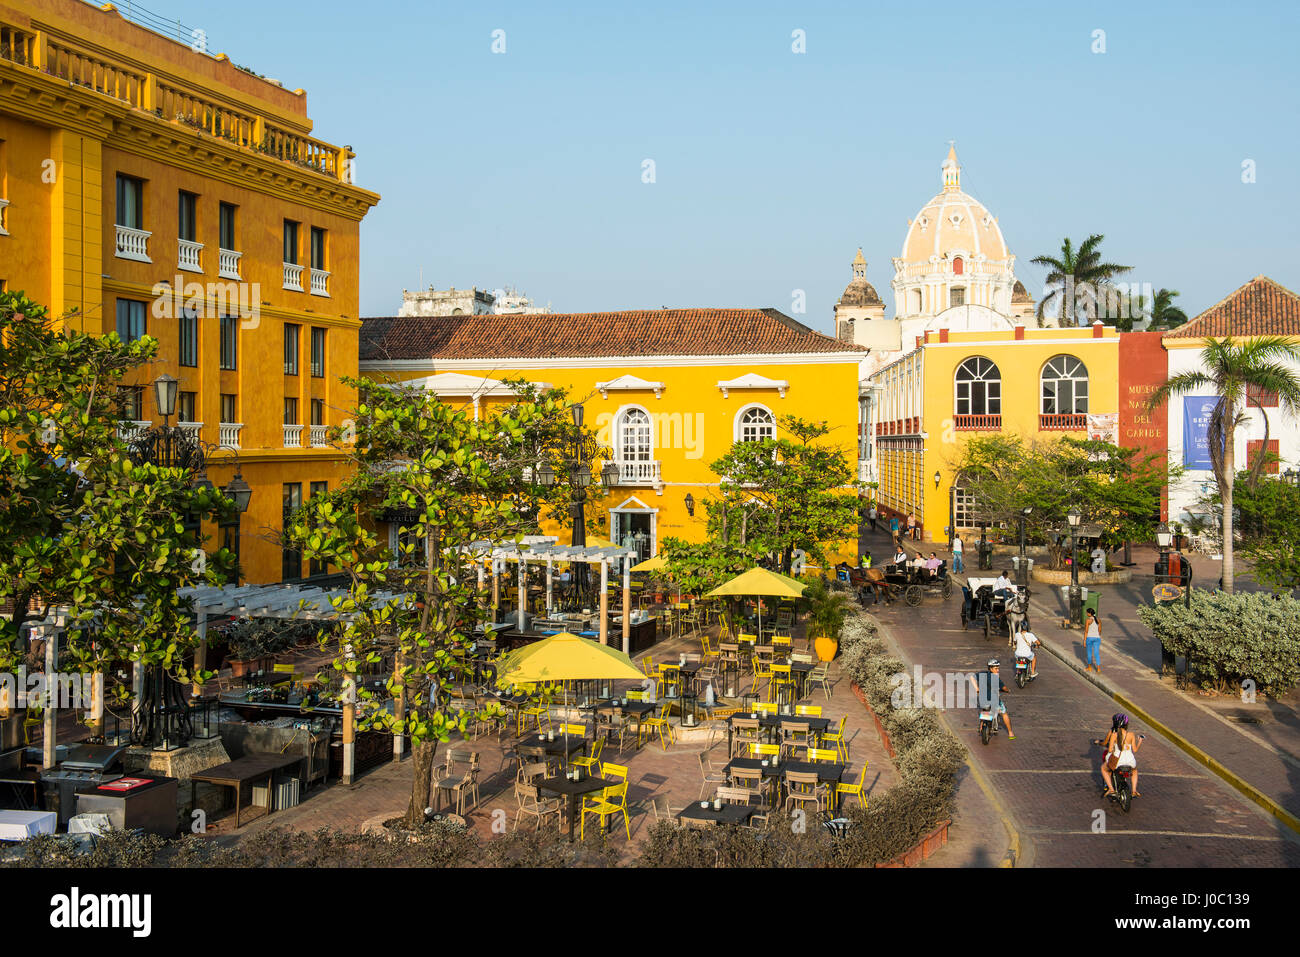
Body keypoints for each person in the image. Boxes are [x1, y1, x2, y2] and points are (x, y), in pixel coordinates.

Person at [1096, 712, 1144, 797]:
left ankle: (1111, 789)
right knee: (1134, 771)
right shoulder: (1131, 734)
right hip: (1130, 760)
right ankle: (1133, 791)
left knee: (1103, 769)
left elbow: (1110, 749)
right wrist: (1140, 741)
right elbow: (1135, 750)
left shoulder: (1114, 734)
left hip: (1117, 761)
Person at [969, 659, 1014, 739]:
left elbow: (972, 677)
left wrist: (977, 689)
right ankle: (1010, 733)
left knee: (984, 710)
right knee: (1004, 713)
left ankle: (981, 727)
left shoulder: (982, 674)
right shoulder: (996, 678)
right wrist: (1008, 690)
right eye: (996, 668)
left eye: (998, 668)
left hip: (983, 700)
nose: (998, 670)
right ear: (991, 668)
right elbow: (1003, 688)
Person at [1084, 608, 1102, 672]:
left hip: (1089, 638)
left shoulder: (1088, 620)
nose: (1086, 614)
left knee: (1089, 653)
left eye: (1087, 613)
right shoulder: (1098, 619)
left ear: (1089, 613)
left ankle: (1089, 667)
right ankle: (1099, 669)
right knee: (1097, 653)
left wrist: (1084, 641)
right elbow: (1100, 630)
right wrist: (1098, 635)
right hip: (1097, 638)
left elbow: (1086, 631)